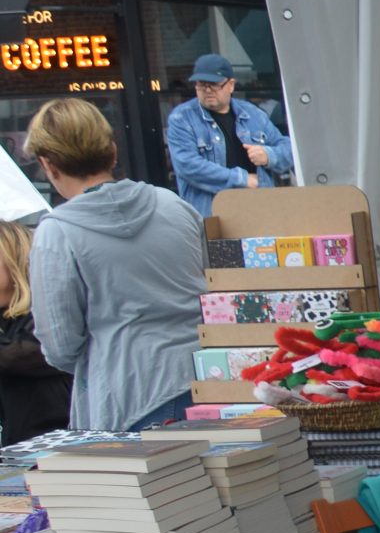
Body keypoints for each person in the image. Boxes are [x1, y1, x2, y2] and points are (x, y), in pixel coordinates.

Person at [21, 99, 204, 431]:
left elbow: (60, 344)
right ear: (113, 151)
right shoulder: (173, 204)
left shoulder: (57, 232)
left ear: (48, 165)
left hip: (127, 396)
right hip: (210, 378)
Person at [165, 55, 295, 216]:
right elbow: (187, 166)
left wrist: (268, 155)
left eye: (214, 84)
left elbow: (290, 150)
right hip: (211, 215)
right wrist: (242, 179)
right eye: (201, 85)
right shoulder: (182, 118)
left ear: (231, 85)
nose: (207, 90)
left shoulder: (253, 114)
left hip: (260, 210)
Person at [0, 220, 71, 444]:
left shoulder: (45, 313)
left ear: (16, 259)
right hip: (16, 448)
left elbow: (18, 357)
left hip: (56, 447)